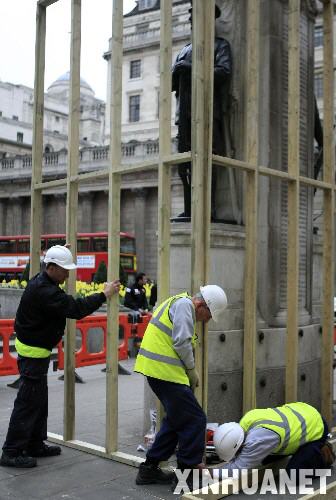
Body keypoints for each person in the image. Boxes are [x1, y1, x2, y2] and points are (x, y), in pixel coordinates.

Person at [0, 245, 120, 469]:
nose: (68, 274)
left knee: (38, 401)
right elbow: (76, 308)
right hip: (33, 354)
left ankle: (35, 443)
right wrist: (104, 294)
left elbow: (57, 277)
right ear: (52, 267)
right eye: (64, 269)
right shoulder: (46, 291)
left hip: (35, 351)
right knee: (28, 403)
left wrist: (60, 252)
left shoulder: (44, 280)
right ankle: (11, 451)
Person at [134, 285, 228, 486]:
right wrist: (191, 369)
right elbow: (181, 342)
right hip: (164, 373)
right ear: (201, 305)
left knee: (176, 422)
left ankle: (149, 470)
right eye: (209, 314)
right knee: (195, 419)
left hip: (159, 372)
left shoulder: (177, 301)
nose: (208, 320)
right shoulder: (185, 305)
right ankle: (187, 473)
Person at [172, 2, 232, 220]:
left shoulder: (219, 46)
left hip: (207, 112)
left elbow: (224, 72)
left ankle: (209, 208)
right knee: (183, 164)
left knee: (208, 160)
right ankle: (189, 209)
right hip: (184, 114)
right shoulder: (184, 50)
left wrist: (191, 68)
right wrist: (176, 71)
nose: (194, 24)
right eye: (192, 21)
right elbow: (171, 84)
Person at [213, 402, 335, 480]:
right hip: (303, 411)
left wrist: (211, 474)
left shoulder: (259, 439)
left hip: (315, 428)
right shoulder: (245, 422)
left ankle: (323, 453)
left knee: (295, 476)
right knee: (263, 460)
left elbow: (238, 468)